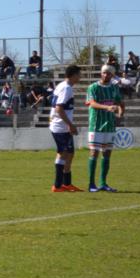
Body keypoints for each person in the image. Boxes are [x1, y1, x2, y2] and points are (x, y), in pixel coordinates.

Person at [86, 64, 125, 193]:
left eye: (108, 73)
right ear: (101, 73)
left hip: (109, 125)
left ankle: (103, 183)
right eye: (104, 72)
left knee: (107, 153)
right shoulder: (93, 87)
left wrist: (120, 114)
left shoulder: (114, 88)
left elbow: (120, 102)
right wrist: (107, 107)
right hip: (96, 125)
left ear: (112, 75)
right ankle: (91, 184)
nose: (106, 75)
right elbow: (92, 103)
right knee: (94, 153)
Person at [48, 65, 82, 193]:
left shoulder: (63, 86)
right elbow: (59, 108)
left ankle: (67, 183)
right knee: (63, 153)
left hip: (62, 126)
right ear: (74, 75)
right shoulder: (66, 88)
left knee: (70, 153)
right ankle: (57, 185)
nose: (80, 77)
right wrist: (70, 125)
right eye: (79, 74)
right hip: (60, 127)